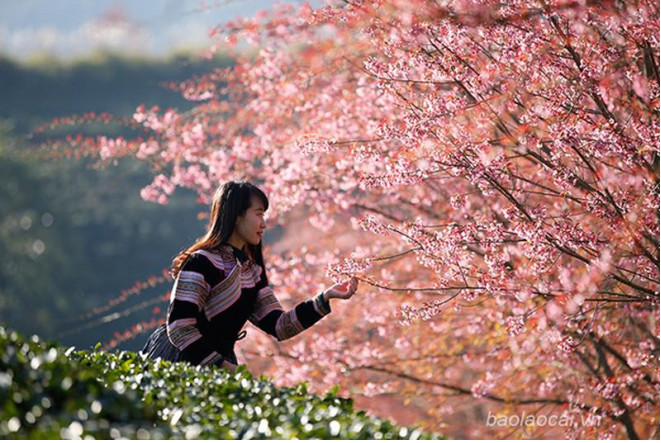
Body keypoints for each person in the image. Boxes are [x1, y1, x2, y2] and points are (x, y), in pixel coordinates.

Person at [141, 180, 359, 373]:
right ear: (236, 216)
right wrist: (223, 367)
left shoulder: (251, 273)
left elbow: (280, 325)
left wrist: (325, 298)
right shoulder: (202, 262)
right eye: (258, 214)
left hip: (219, 366)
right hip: (178, 361)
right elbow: (180, 327)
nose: (264, 223)